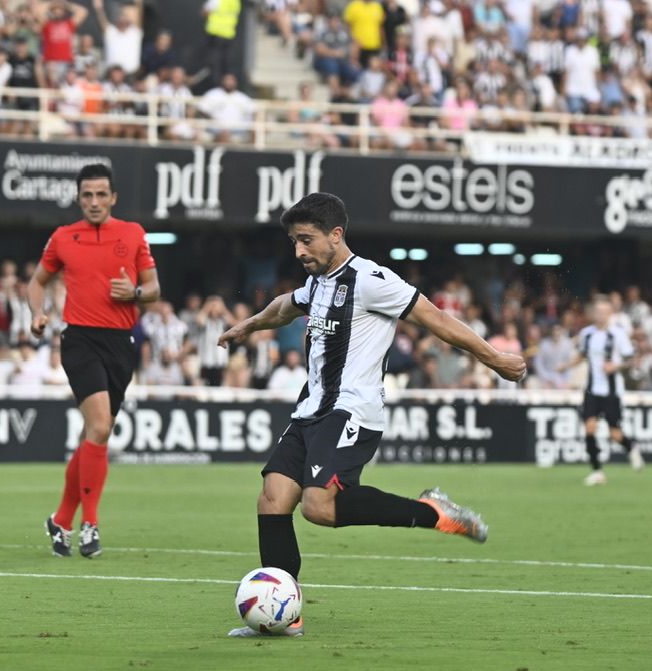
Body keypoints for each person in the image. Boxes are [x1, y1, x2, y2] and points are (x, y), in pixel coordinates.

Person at [217, 192, 526, 638]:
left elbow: (434, 317)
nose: (298, 250)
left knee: (318, 507)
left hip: (352, 412)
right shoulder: (317, 281)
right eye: (294, 242)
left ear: (336, 235)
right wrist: (248, 325)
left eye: (306, 240)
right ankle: (285, 616)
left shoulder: (372, 280)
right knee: (272, 498)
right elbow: (286, 305)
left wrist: (494, 357)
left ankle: (430, 511)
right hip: (311, 410)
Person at [30, 163, 160, 559]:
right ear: (78, 198)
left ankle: (61, 519)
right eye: (87, 195)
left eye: (101, 194)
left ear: (113, 197)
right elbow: (38, 282)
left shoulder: (132, 233)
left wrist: (134, 292)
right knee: (101, 425)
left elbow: (154, 289)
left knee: (95, 434)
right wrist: (36, 314)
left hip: (121, 342)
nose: (94, 202)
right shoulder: (63, 238)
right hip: (79, 339)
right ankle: (90, 524)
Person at [574, 297, 644, 486]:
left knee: (615, 433)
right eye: (598, 311)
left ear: (610, 314)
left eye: (605, 311)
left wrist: (616, 366)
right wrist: (563, 366)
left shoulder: (618, 334)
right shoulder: (586, 334)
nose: (601, 315)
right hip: (591, 390)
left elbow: (633, 360)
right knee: (589, 427)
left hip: (612, 392)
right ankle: (597, 471)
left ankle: (631, 448)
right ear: (593, 313)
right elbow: (581, 356)